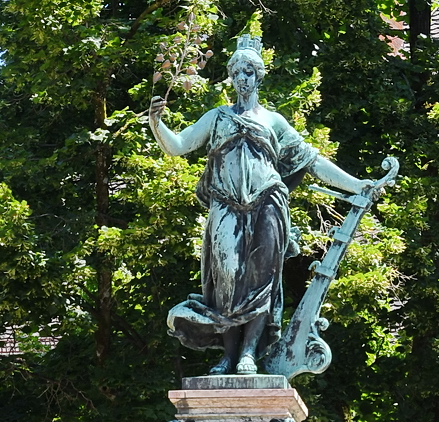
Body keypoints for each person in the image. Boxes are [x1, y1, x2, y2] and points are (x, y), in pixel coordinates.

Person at [148, 34, 372, 375]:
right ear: (230, 76)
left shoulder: (274, 121)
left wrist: (357, 184)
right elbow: (178, 145)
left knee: (260, 279)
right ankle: (228, 353)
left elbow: (312, 161)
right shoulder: (218, 117)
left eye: (249, 72)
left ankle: (249, 353)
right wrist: (156, 124)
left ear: (259, 76)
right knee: (226, 277)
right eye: (237, 72)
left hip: (268, 204)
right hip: (224, 205)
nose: (242, 78)